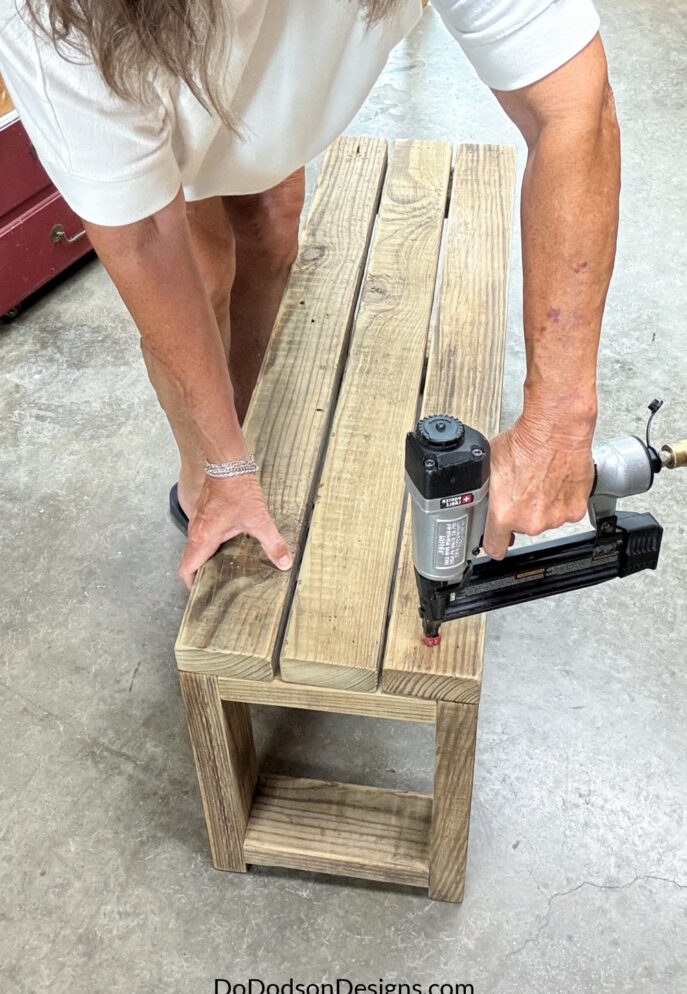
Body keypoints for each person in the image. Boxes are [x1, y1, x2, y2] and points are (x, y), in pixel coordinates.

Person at [0, 0, 618, 588]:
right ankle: (208, 477)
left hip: (235, 86)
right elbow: (143, 241)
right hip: (148, 66)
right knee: (203, 273)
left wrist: (557, 424)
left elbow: (572, 108)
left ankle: (254, 426)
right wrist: (223, 466)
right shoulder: (51, 26)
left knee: (272, 220)